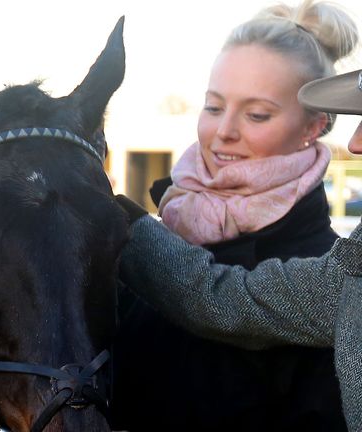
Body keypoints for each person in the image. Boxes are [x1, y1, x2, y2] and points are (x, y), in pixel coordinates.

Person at [111, 1, 359, 430]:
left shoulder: (335, 272)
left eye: (257, 114)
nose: (223, 130)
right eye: (212, 106)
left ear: (313, 128)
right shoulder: (129, 247)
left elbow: (217, 299)